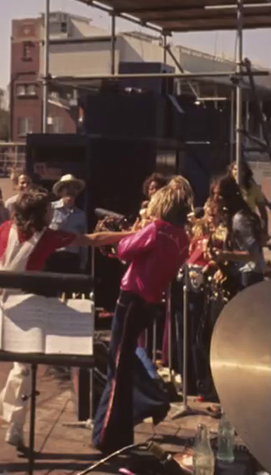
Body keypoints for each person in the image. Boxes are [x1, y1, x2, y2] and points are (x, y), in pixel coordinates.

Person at [0, 189, 128, 446]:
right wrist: (131, 234)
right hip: (14, 302)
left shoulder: (5, 227)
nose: (51, 212)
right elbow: (92, 239)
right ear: (40, 213)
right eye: (48, 209)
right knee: (23, 366)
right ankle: (15, 425)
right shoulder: (49, 237)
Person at [92, 182, 192, 453]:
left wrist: (132, 231)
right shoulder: (183, 236)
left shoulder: (157, 229)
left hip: (132, 300)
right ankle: (123, 426)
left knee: (117, 368)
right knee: (123, 364)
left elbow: (124, 249)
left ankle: (108, 435)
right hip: (150, 302)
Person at [210, 174, 266, 290]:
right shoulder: (230, 218)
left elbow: (253, 255)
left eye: (220, 194)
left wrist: (225, 255)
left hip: (249, 277)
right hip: (239, 276)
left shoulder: (240, 219)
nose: (216, 198)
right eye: (214, 194)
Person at [48, 174, 88, 273]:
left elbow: (84, 240)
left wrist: (83, 262)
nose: (70, 191)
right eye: (66, 187)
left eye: (73, 188)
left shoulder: (81, 215)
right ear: (61, 191)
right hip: (53, 256)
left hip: (72, 259)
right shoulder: (50, 208)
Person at [229, 161, 268, 238]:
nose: (237, 172)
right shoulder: (226, 187)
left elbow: (263, 211)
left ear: (245, 172)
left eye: (241, 170)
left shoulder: (253, 188)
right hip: (230, 225)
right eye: (235, 169)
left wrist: (264, 231)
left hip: (248, 224)